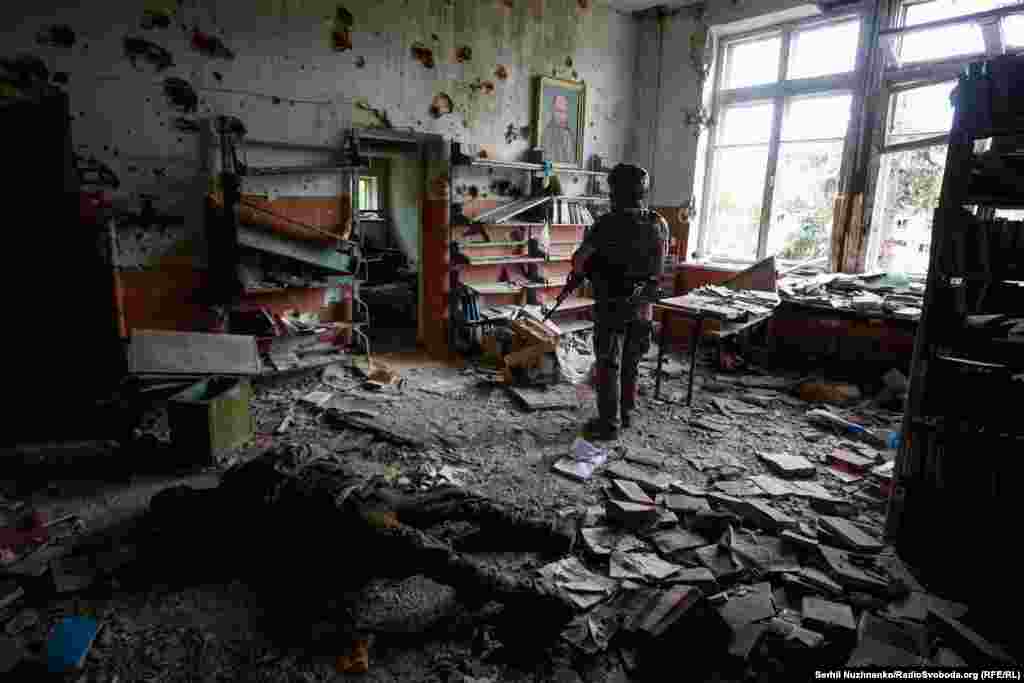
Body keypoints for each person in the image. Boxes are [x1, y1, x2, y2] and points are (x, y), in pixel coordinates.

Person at [571, 164, 669, 440]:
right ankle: (626, 413)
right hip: (644, 306)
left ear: (614, 190)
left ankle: (608, 424)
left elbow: (579, 261)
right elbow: (660, 265)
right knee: (631, 363)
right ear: (643, 190)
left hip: (611, 305)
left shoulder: (605, 224)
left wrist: (587, 269)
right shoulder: (659, 222)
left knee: (608, 364)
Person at [543, 94, 574, 164]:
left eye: (565, 112)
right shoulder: (547, 133)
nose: (563, 116)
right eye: (559, 111)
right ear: (552, 111)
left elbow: (571, 161)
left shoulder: (569, 134)